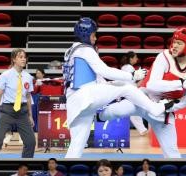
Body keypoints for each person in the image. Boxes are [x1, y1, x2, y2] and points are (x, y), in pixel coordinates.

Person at [63, 18, 170, 158]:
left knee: (77, 146)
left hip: (74, 102)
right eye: (93, 35)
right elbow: (105, 71)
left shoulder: (70, 51)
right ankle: (155, 109)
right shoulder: (85, 49)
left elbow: (94, 77)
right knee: (126, 87)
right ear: (86, 35)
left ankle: (66, 169)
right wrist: (132, 75)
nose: (95, 38)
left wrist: (113, 84)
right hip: (85, 95)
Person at [99, 27, 186, 158]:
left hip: (163, 110)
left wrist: (172, 106)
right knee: (110, 113)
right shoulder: (164, 56)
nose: (175, 45)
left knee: (173, 154)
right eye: (174, 41)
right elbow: (152, 85)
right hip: (143, 99)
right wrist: (180, 83)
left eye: (179, 43)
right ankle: (93, 114)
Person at [0, 49, 36, 158]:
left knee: (31, 142)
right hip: (7, 111)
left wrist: (30, 116)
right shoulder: (5, 75)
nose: (24, 59)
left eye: (24, 57)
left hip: (23, 113)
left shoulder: (28, 77)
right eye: (20, 57)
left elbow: (28, 97)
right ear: (14, 59)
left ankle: (25, 164)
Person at [120, 51, 148, 136]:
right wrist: (144, 77)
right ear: (131, 58)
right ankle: (142, 130)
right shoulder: (129, 68)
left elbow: (134, 84)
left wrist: (143, 78)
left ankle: (142, 130)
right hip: (129, 91)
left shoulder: (125, 67)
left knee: (133, 110)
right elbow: (133, 84)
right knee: (134, 110)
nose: (137, 59)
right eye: (135, 57)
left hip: (126, 91)